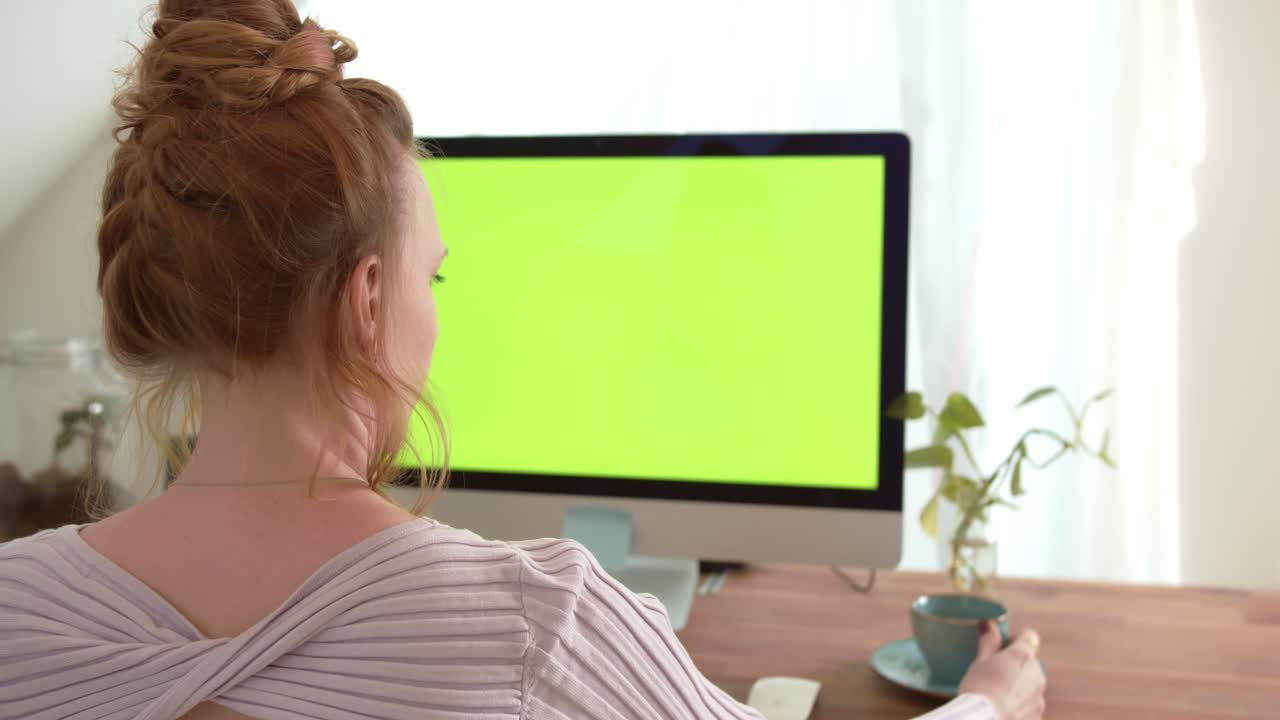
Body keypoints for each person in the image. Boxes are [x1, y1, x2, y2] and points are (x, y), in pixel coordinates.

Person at [0, 1, 1046, 718]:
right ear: (367, 300)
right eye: (432, 279)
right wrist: (988, 704)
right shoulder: (537, 635)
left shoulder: (18, 612)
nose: (433, 313)